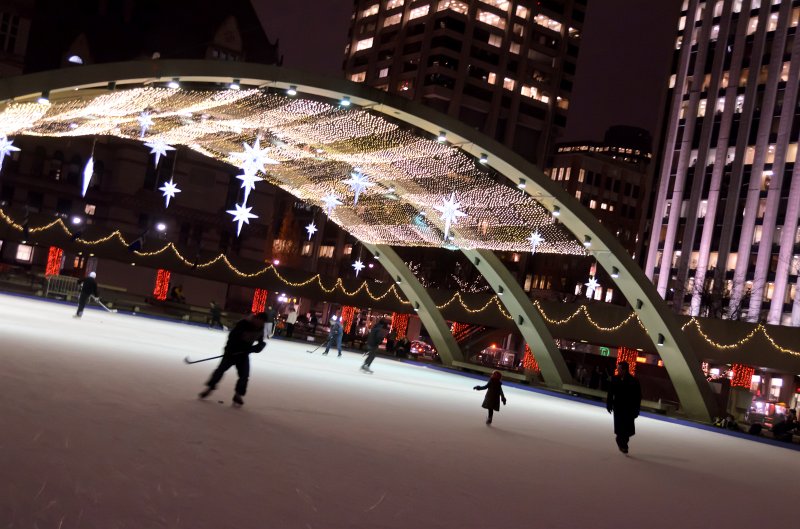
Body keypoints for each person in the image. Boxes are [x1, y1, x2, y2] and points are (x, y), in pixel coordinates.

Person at [199, 312, 268, 406]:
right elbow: (232, 337)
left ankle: (238, 395)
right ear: (256, 318)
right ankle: (209, 388)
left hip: (243, 355)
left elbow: (260, 342)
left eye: (263, 322)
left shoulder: (260, 329)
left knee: (244, 375)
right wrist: (230, 350)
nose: (260, 324)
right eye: (260, 321)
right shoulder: (243, 324)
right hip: (232, 352)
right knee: (220, 370)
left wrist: (258, 347)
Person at [606, 361, 642, 454]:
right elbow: (610, 393)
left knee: (627, 428)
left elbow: (638, 396)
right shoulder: (615, 379)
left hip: (629, 408)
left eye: (619, 368)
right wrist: (609, 404)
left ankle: (623, 444)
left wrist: (637, 409)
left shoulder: (634, 381)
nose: (617, 370)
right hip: (618, 407)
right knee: (619, 426)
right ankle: (622, 444)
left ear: (624, 369)